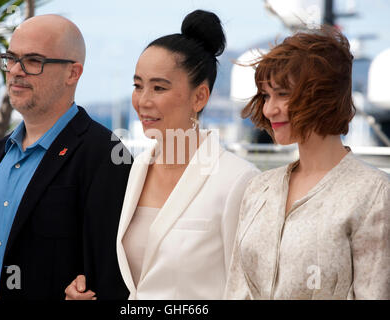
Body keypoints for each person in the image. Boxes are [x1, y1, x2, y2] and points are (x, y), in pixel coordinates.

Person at [65, 10, 259, 300]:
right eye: (138, 85)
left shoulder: (238, 180)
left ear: (200, 97)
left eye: (159, 88)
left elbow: (246, 290)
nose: (143, 101)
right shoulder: (133, 171)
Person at [0, 15, 131, 300]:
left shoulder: (105, 154)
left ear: (73, 73)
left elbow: (110, 273)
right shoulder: (0, 151)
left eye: (34, 61)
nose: (16, 71)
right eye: (11, 58)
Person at [225, 27, 390, 300]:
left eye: (283, 94)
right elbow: (235, 289)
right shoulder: (259, 189)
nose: (268, 109)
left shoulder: (373, 194)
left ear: (321, 96)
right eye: (266, 96)